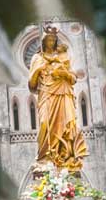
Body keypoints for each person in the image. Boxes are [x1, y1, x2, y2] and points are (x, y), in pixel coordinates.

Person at [27, 25, 89, 171]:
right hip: (47, 94)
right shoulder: (37, 58)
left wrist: (63, 74)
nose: (51, 42)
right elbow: (31, 85)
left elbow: (73, 78)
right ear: (43, 41)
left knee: (69, 126)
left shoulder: (62, 56)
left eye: (53, 39)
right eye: (48, 39)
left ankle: (66, 158)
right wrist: (37, 70)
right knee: (44, 123)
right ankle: (44, 158)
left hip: (64, 92)